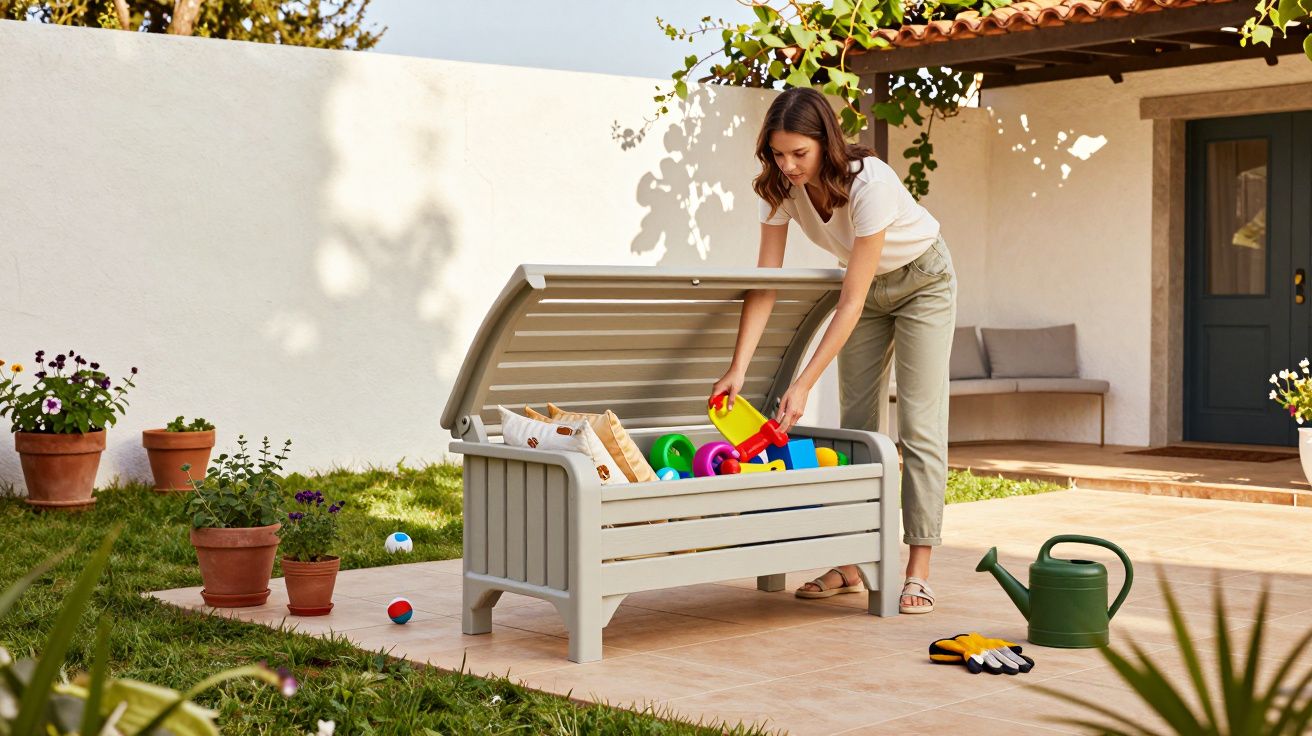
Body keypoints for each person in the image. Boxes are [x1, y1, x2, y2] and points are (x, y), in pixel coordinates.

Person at [710, 86, 956, 614]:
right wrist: (737, 369)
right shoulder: (778, 188)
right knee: (858, 427)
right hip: (862, 291)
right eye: (778, 153)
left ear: (826, 142)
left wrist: (802, 385)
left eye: (799, 153)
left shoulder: (871, 184)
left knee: (918, 422)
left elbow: (849, 302)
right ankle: (851, 561)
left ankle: (918, 567)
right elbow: (765, 282)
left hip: (922, 281)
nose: (788, 165)